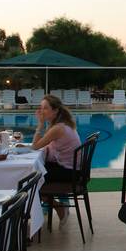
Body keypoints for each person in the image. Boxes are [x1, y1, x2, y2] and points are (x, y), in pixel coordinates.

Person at [32, 94, 82, 223]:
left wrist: (40, 125)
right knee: (35, 173)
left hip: (70, 173)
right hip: (72, 169)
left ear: (55, 110)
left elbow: (35, 146)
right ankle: (52, 205)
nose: (41, 111)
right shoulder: (62, 124)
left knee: (32, 180)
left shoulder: (57, 128)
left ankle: (58, 207)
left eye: (45, 108)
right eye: (41, 108)